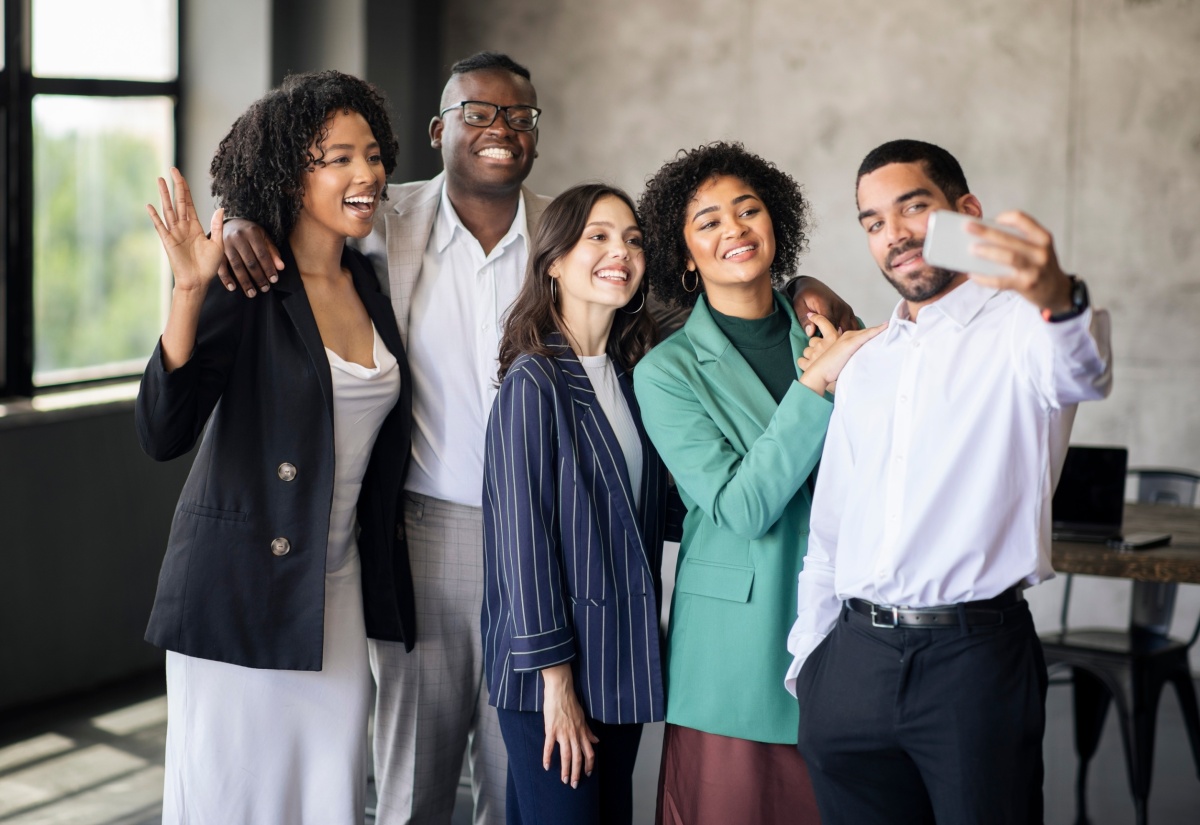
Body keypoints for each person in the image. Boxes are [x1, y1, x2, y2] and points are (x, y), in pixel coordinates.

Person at [216, 53, 859, 825]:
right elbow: (302, 213)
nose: (500, 129)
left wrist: (795, 290)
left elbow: (708, 283)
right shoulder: (386, 220)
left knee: (518, 781)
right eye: (478, 114)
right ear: (438, 130)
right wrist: (239, 223)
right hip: (427, 530)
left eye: (519, 116)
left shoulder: (577, 236)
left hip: (574, 554)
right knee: (415, 773)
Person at [787, 139, 1113, 824]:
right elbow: (831, 531)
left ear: (967, 212)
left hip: (974, 666)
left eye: (914, 207)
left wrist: (1058, 294)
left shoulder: (1025, 329)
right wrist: (810, 670)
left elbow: (1082, 368)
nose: (894, 233)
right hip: (851, 666)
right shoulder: (867, 361)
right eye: (873, 221)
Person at [135, 71, 412, 824]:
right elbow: (163, 430)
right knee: (234, 802)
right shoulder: (245, 279)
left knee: (328, 798)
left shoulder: (372, 279)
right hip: (238, 592)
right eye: (340, 158)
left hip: (336, 594)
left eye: (373, 155)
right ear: (291, 173)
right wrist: (188, 293)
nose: (367, 174)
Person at [633, 142, 883, 825]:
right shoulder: (666, 372)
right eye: (707, 221)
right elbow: (741, 507)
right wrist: (814, 386)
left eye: (748, 210)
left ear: (777, 225)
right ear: (683, 254)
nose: (734, 229)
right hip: (736, 646)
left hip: (847, 628)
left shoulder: (829, 326)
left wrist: (831, 351)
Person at [482, 183, 667, 824]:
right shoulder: (534, 380)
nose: (621, 250)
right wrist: (556, 686)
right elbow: (521, 544)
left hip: (619, 661)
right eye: (599, 236)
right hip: (552, 678)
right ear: (554, 261)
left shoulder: (629, 374)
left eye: (633, 240)